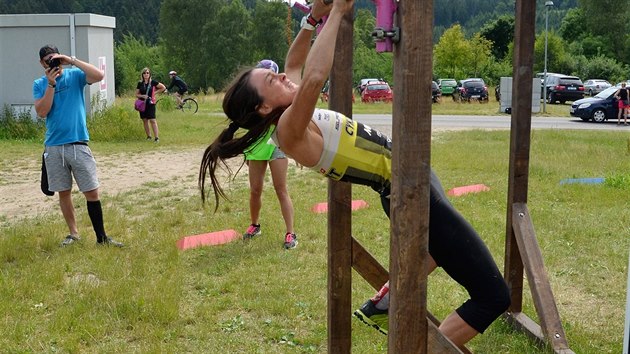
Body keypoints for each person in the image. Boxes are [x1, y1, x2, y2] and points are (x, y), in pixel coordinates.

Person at [198, 0, 510, 348]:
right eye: (272, 80)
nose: (283, 76)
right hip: (405, 190)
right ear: (263, 107)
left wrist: (313, 18)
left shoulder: (292, 109)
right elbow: (315, 75)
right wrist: (341, 11)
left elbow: (296, 63)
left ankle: (384, 302)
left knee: (435, 251)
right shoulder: (289, 128)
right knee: (493, 296)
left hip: (414, 177)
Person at [33, 44, 123, 247]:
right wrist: (51, 85)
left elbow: (99, 75)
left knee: (91, 191)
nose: (52, 62)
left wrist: (71, 60)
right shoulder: (40, 84)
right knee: (64, 192)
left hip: (78, 143)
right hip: (54, 145)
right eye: (48, 60)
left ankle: (102, 237)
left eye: (54, 58)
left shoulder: (75, 75)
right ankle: (73, 234)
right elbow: (42, 111)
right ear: (41, 63)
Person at [240, 59, 297, 250]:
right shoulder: (254, 98)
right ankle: (255, 225)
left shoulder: (282, 97)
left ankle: (291, 233)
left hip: (277, 145)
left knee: (281, 189)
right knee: (255, 190)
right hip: (257, 146)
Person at [136, 68, 166, 142]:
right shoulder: (140, 83)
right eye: (144, 73)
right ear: (142, 75)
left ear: (149, 74)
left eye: (147, 73)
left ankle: (156, 137)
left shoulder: (153, 82)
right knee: (145, 120)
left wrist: (155, 93)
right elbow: (136, 94)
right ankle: (149, 136)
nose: (146, 74)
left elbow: (163, 87)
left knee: (152, 119)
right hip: (142, 103)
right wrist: (142, 96)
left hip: (151, 103)